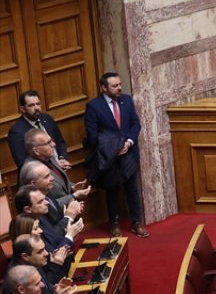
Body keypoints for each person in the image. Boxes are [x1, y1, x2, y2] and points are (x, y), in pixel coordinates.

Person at [83, 72, 147, 237]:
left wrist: (128, 143)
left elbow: (135, 124)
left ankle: (137, 222)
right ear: (104, 88)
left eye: (119, 84)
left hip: (128, 153)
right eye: (114, 86)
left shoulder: (126, 100)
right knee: (112, 190)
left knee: (132, 189)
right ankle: (115, 223)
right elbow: (92, 134)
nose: (119, 88)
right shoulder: (94, 106)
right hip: (109, 156)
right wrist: (113, 147)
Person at [25, 128, 89, 208]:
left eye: (51, 140)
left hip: (69, 211)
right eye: (48, 143)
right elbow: (44, 205)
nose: (53, 144)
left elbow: (61, 182)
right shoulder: (31, 170)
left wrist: (73, 187)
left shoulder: (49, 158)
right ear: (36, 151)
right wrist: (74, 196)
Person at [10, 90, 69, 169]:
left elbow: (59, 141)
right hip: (39, 176)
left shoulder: (47, 118)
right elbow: (23, 162)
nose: (36, 108)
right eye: (31, 105)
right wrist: (54, 166)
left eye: (38, 104)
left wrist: (62, 158)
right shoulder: (16, 131)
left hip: (60, 169)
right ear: (23, 109)